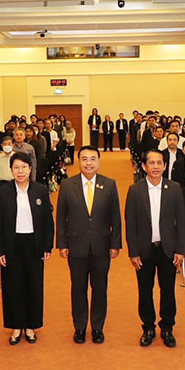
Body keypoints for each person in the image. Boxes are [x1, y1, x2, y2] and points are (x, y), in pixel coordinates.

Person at [56, 146, 122, 344]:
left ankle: (98, 327)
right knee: (78, 288)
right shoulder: (67, 185)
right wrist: (62, 243)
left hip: (102, 245)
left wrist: (115, 244)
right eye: (84, 159)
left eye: (93, 159)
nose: (89, 163)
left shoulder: (109, 184)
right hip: (76, 245)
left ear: (98, 162)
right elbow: (61, 217)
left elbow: (116, 217)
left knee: (100, 288)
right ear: (79, 161)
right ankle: (80, 326)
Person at [125, 149, 185, 348]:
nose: (156, 166)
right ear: (144, 166)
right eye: (151, 163)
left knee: (168, 291)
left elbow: (181, 221)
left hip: (168, 249)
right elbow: (130, 224)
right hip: (144, 250)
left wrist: (180, 250)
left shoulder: (174, 188)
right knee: (145, 291)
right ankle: (148, 328)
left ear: (165, 166)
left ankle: (167, 328)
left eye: (160, 163)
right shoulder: (135, 190)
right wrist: (133, 252)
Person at [0, 152, 54, 345]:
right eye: (16, 167)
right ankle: (16, 326)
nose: (20, 171)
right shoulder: (2, 193)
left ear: (30, 169)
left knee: (34, 285)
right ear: (11, 170)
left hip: (34, 244)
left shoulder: (40, 190)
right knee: (12, 286)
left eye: (24, 167)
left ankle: (31, 326)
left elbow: (47, 221)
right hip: (11, 245)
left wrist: (47, 246)